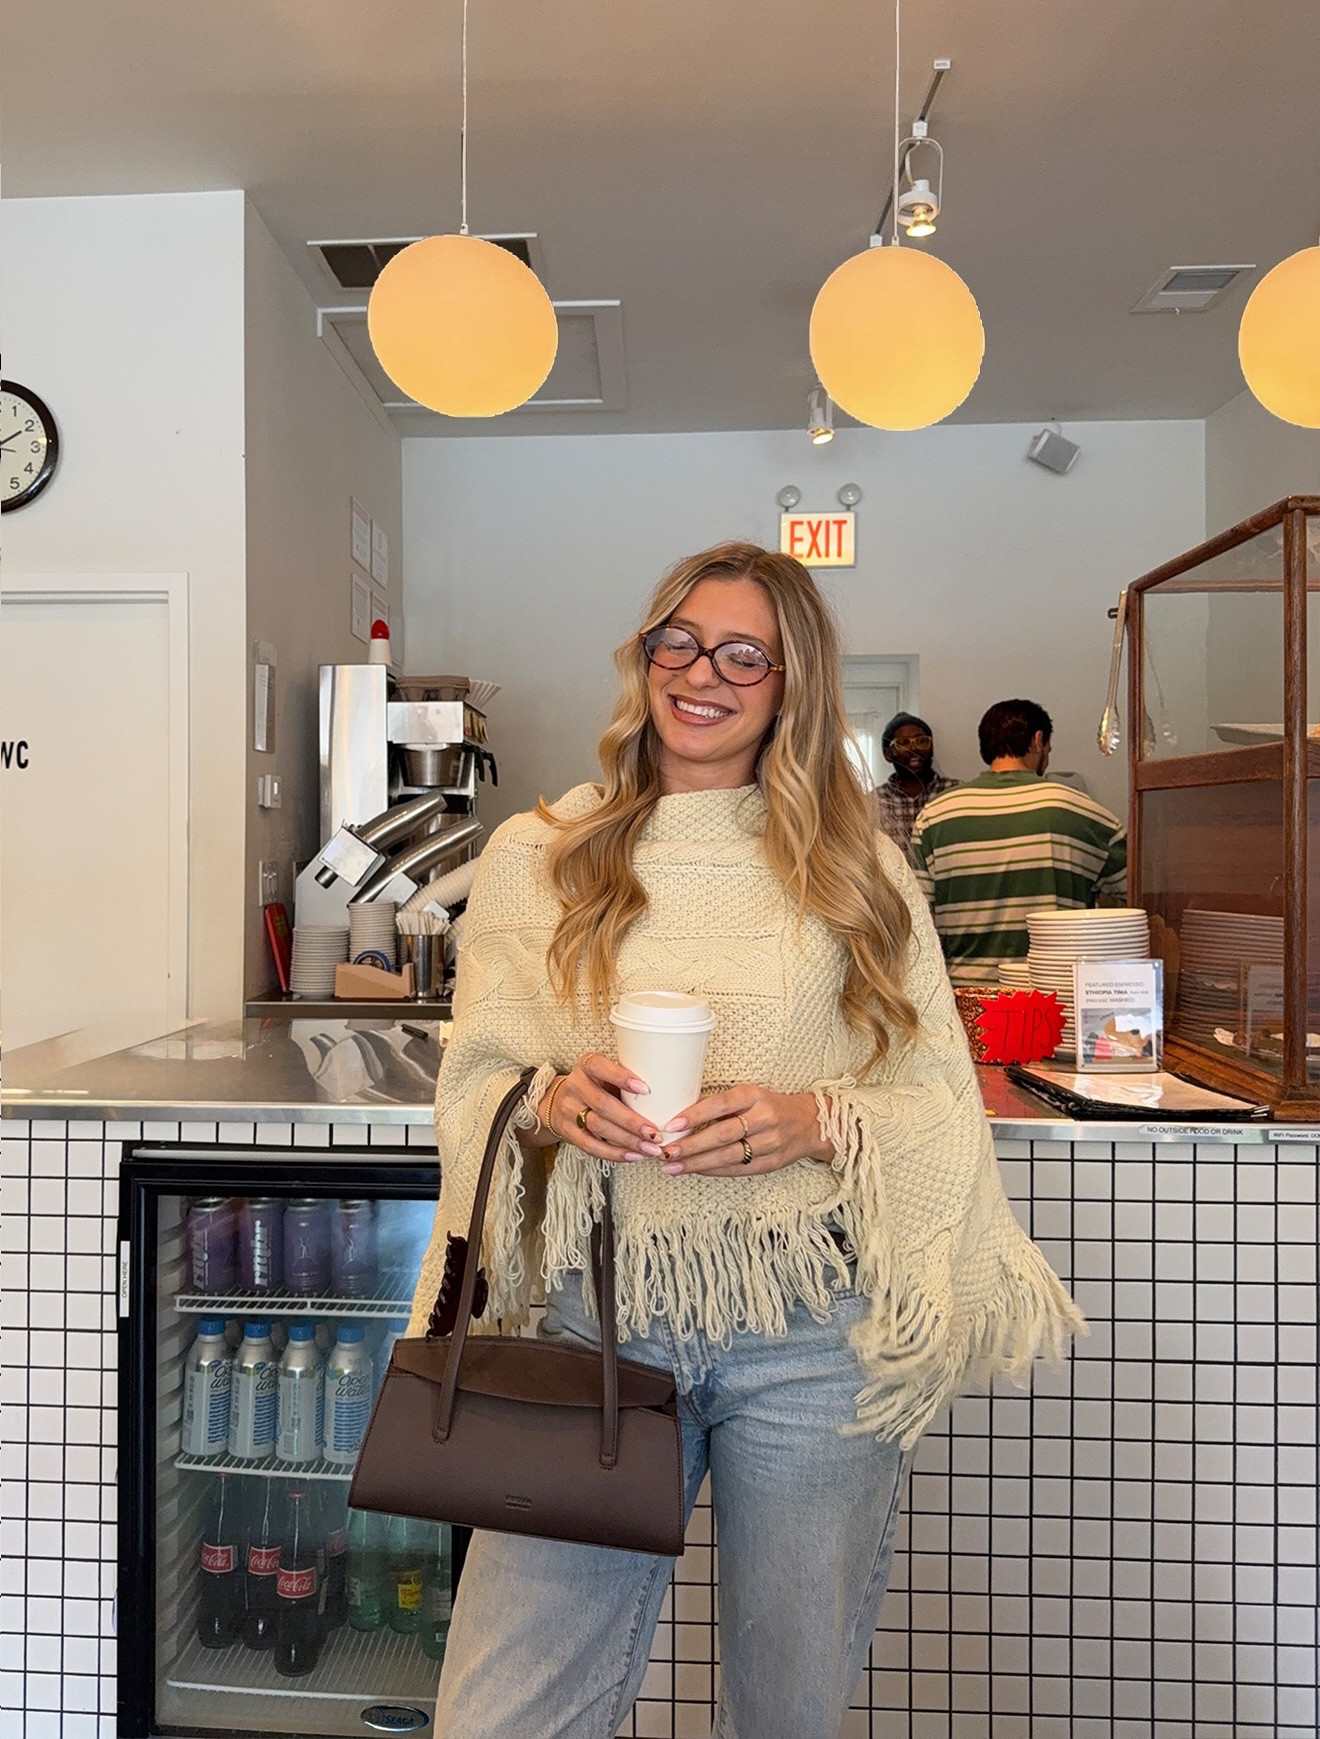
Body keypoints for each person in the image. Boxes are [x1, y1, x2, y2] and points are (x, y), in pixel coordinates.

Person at [408, 547, 1083, 1739]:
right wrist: (553, 1099)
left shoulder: (859, 868)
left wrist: (815, 1117)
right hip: (595, 1324)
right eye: (678, 639)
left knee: (785, 1709)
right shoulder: (540, 852)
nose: (700, 672)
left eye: (742, 653)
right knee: (500, 1712)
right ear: (644, 655)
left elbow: (933, 1090)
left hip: (813, 1332)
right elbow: (476, 1076)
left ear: (791, 684)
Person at [909, 698, 1127, 985]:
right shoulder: (1081, 811)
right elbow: (1138, 891)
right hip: (1054, 998)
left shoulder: (934, 816)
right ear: (1037, 741)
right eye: (1048, 748)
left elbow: (915, 919)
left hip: (966, 1003)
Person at [872, 711, 958, 855]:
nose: (914, 749)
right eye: (903, 743)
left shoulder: (955, 793)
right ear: (888, 754)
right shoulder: (873, 803)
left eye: (921, 741)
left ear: (931, 747)